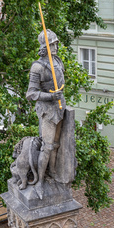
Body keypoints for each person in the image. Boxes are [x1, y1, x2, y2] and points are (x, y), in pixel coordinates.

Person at [26, 29, 66, 199]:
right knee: (47, 146)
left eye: (56, 43)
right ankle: (40, 181)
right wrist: (50, 96)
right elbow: (31, 94)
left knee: (56, 145)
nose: (56, 46)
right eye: (52, 44)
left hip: (59, 108)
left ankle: (54, 174)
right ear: (45, 47)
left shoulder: (57, 61)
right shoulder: (37, 67)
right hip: (47, 110)